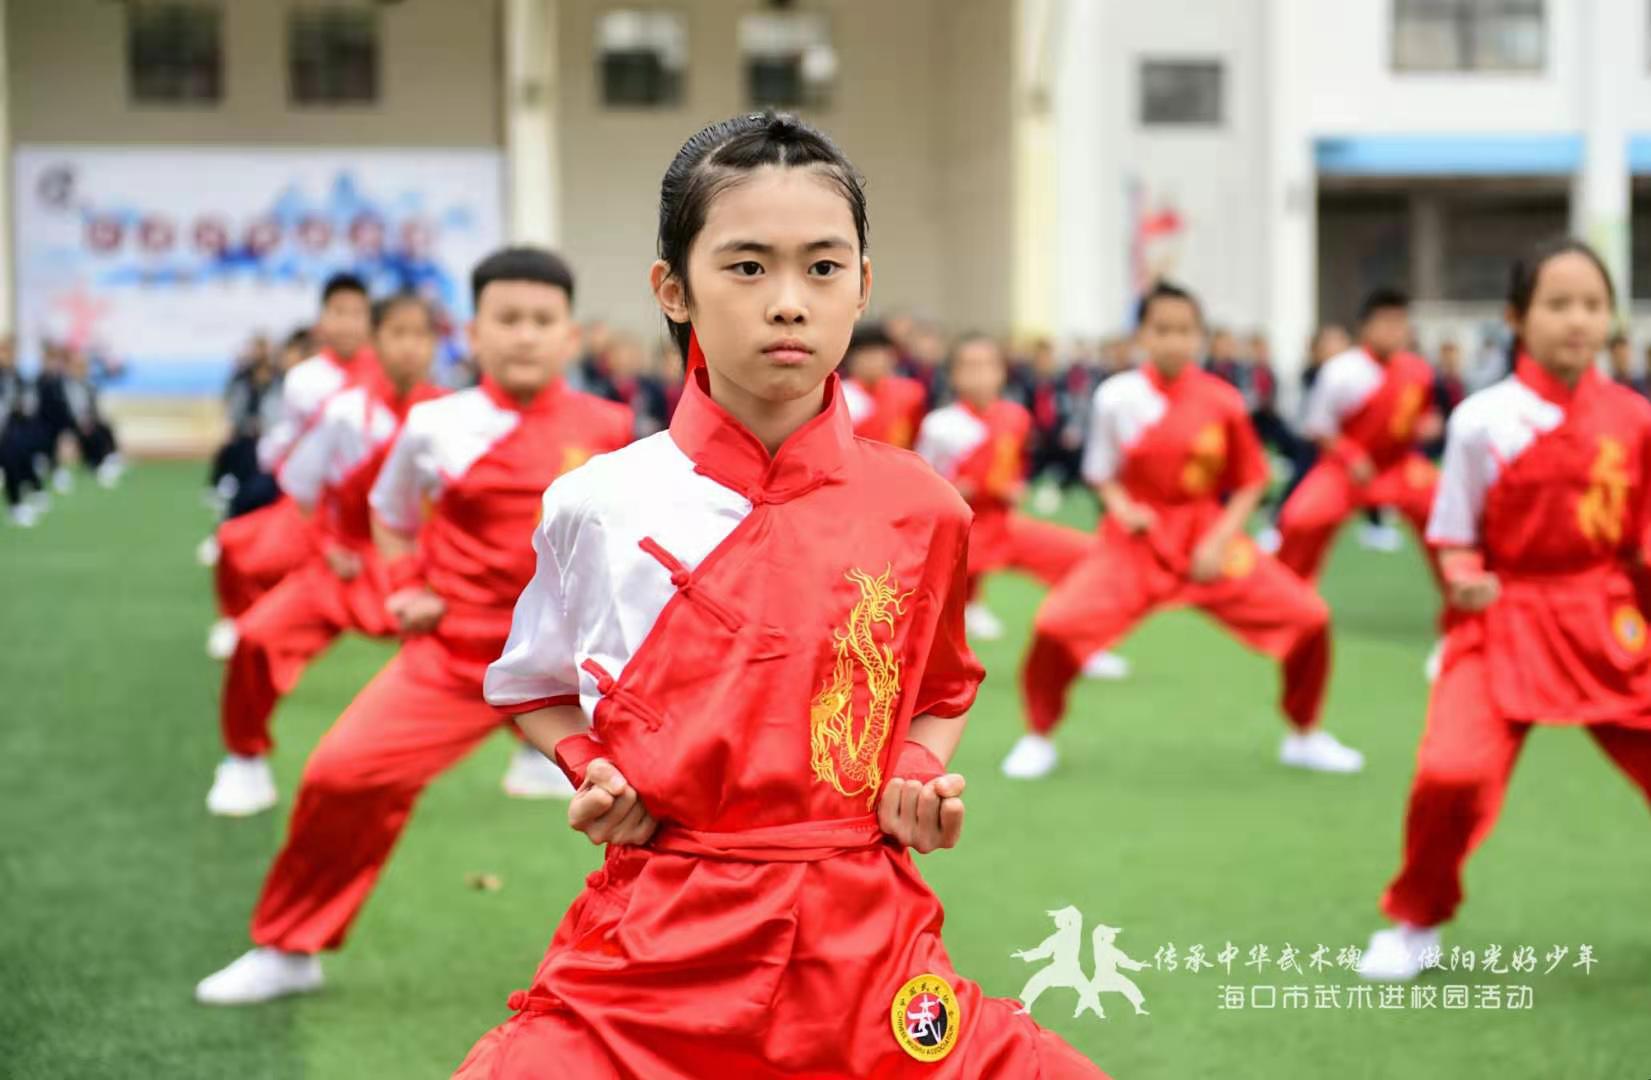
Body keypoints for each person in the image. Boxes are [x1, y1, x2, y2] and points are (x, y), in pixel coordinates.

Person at [453, 112, 1107, 1079]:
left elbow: (937, 688)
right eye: (747, 267)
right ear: (672, 290)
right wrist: (591, 766)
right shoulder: (596, 504)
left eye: (823, 268)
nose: (789, 303)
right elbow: (533, 682)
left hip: (869, 949)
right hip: (652, 944)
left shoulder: (922, 508)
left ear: (862, 287)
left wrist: (915, 777)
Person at [194, 247, 632, 1005]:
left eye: (542, 320)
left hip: (581, 668)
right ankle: (290, 948)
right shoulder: (436, 425)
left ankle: (690, 970)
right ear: (472, 332)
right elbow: (389, 514)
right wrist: (401, 586)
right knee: (340, 775)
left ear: (569, 336)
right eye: (508, 319)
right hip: (459, 656)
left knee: (680, 797)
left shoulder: (613, 427)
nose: (525, 335)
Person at [1357, 239, 1651, 981]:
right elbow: (1454, 537)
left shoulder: (1634, 419)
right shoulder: (1481, 422)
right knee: (1449, 776)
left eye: (1591, 304)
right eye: (1557, 304)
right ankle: (1415, 918)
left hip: (1604, 619)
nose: (1576, 321)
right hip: (1504, 617)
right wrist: (1462, 579)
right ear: (1516, 317)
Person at [1002, 282, 1359, 781]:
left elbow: (1251, 481)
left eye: (1185, 330)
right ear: (1142, 335)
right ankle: (1038, 735)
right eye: (1162, 329)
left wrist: (1217, 541)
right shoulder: (1116, 397)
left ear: (1200, 336)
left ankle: (1305, 732)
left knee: (1309, 617)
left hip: (1208, 540)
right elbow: (1101, 473)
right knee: (1055, 627)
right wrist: (1123, 509)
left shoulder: (1224, 401)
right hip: (1135, 545)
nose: (1174, 341)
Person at [204, 294, 446, 817]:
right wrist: (329, 547)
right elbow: (301, 490)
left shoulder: (448, 415)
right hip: (345, 566)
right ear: (376, 341)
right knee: (256, 638)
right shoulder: (344, 412)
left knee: (499, 642)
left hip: (420, 572)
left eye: (420, 334)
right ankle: (244, 760)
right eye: (397, 333)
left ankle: (544, 756)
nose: (409, 347)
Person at [916, 334, 1130, 677]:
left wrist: (1014, 487)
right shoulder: (940, 425)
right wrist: (955, 490)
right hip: (960, 532)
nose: (979, 375)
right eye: (970, 367)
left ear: (1002, 373)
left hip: (1004, 525)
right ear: (954, 375)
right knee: (915, 595)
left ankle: (1083, 647)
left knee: (1086, 558)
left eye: (988, 366)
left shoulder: (1015, 416)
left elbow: (1015, 467)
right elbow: (920, 485)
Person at [207, 275, 374, 659]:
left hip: (374, 516)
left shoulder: (385, 373)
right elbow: (291, 439)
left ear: (370, 320)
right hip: (314, 508)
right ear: (323, 320)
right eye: (339, 312)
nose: (348, 323)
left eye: (357, 313)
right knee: (235, 546)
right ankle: (241, 622)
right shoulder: (304, 378)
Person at [1274, 288, 1444, 587]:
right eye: (1386, 322)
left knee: (1449, 514)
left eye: (1400, 322)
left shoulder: (1418, 371)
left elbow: (1422, 416)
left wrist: (1427, 425)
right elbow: (1320, 428)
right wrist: (1351, 456)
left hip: (1398, 466)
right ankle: (1292, 601)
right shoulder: (1342, 371)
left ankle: (1463, 612)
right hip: (1344, 470)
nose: (1394, 331)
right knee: (1299, 519)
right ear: (1366, 327)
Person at [840, 320, 927, 449]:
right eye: (866, 355)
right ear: (851, 360)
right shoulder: (840, 394)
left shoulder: (911, 393)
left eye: (878, 354)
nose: (873, 361)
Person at [0, 337, 46, 527]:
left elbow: (25, 402)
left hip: (10, 428)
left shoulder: (16, 375)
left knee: (16, 455)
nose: (8, 356)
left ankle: (18, 504)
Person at [1608, 332, 1646, 398]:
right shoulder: (1607, 385)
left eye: (1625, 355)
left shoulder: (1642, 383)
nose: (1622, 360)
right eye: (1618, 355)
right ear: (1612, 357)